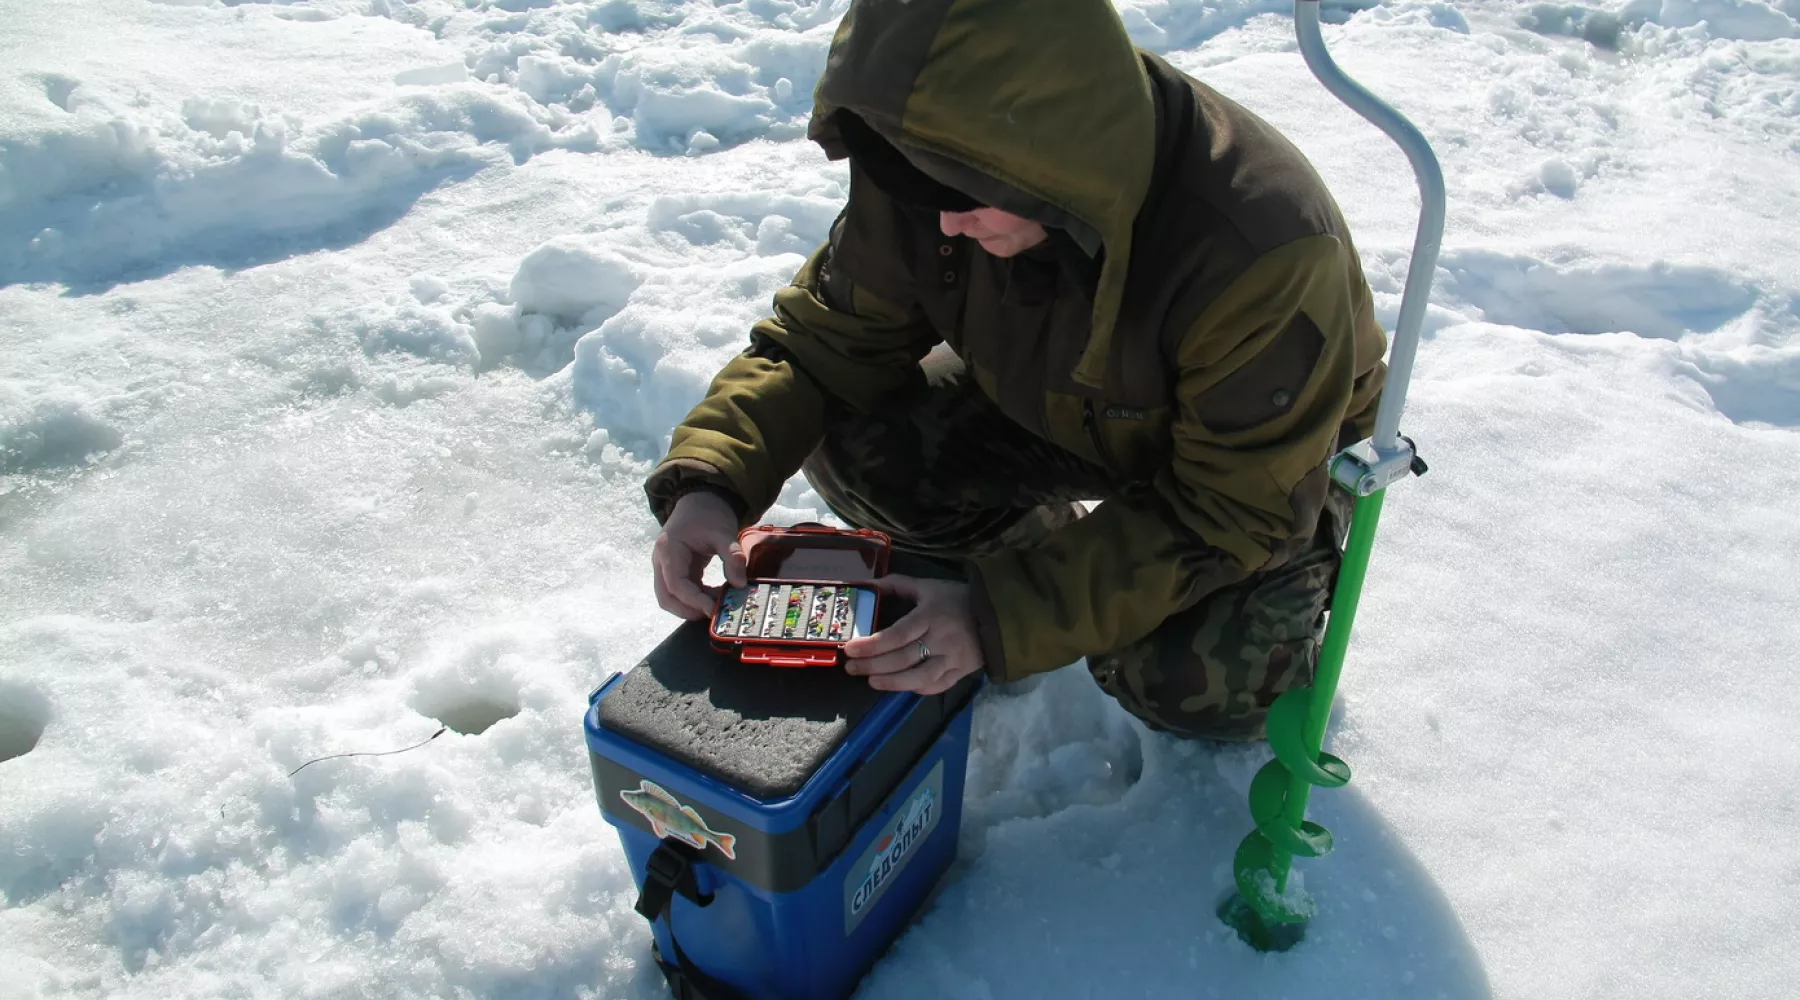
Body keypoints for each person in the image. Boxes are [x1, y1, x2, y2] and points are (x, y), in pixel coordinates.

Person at [644, 0, 1388, 742]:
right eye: (920, 193)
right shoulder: (931, 159)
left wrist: (996, 619)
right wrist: (711, 482)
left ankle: (1266, 614)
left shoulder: (1259, 251)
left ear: (1049, 161)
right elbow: (820, 345)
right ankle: (1045, 560)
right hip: (1064, 405)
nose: (943, 226)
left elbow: (1234, 507)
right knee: (863, 444)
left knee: (1192, 680)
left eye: (961, 200)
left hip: (1271, 466)